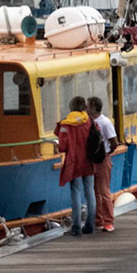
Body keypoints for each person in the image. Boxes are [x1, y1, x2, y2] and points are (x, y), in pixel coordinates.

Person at [54, 96, 95, 235]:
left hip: (74, 162)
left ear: (71, 106)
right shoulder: (88, 121)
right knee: (90, 192)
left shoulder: (66, 124)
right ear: (84, 107)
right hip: (88, 161)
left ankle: (76, 226)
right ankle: (90, 224)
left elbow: (62, 146)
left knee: (76, 192)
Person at [88, 96, 118, 233]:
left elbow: (114, 142)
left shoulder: (105, 123)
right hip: (91, 159)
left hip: (103, 158)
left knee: (104, 191)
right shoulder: (88, 122)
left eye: (88, 106)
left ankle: (108, 221)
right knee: (95, 191)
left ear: (94, 108)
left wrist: (106, 153)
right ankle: (98, 219)